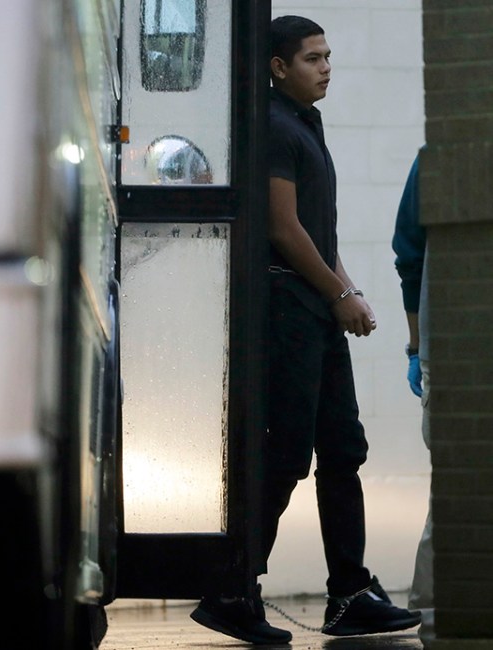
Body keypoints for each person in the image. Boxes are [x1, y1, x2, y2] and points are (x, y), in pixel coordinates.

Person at [189, 15, 422, 644]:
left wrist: (349, 291)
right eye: (312, 59)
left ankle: (350, 593)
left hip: (317, 309)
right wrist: (338, 291)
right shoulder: (272, 124)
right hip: (288, 310)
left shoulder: (306, 122)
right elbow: (283, 229)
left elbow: (319, 233)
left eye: (328, 57)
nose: (325, 68)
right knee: (287, 455)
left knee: (343, 450)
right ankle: (231, 590)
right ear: (278, 67)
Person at [392, 151, 434, 642]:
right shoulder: (434, 163)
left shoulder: (432, 161)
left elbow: (410, 258)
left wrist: (417, 349)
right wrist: (418, 348)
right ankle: (433, 615)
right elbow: (411, 258)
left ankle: (433, 613)